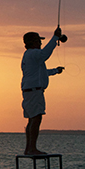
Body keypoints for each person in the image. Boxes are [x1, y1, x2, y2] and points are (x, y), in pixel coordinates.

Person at [21, 27, 67, 155]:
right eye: (38, 40)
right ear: (31, 42)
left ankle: (29, 148)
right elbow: (45, 54)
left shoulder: (30, 56)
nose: (40, 43)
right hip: (34, 91)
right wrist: (55, 38)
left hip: (30, 91)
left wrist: (55, 71)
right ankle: (32, 149)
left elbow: (42, 73)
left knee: (32, 120)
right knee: (36, 119)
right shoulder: (34, 54)